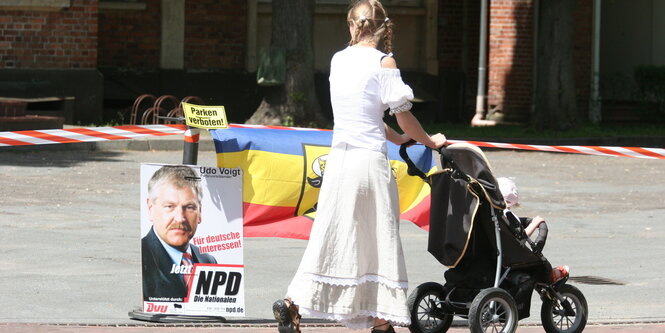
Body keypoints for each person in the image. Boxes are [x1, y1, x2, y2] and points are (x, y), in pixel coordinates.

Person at [272, 1, 447, 332]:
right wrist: (429, 141)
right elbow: (403, 115)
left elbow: (366, 114)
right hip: (368, 163)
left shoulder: (338, 60)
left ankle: (294, 302)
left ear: (350, 25)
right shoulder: (384, 62)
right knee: (378, 239)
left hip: (339, 161)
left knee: (330, 235)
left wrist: (397, 140)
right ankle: (381, 320)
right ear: (382, 28)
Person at [142, 165, 217, 301]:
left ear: (200, 212)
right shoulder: (142, 258)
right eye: (169, 207)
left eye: (189, 207)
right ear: (150, 208)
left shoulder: (208, 261)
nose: (180, 218)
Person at [497, 177, 569, 283]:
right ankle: (550, 275)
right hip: (509, 257)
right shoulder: (506, 214)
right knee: (537, 262)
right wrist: (535, 223)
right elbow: (519, 236)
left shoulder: (490, 213)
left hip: (495, 255)